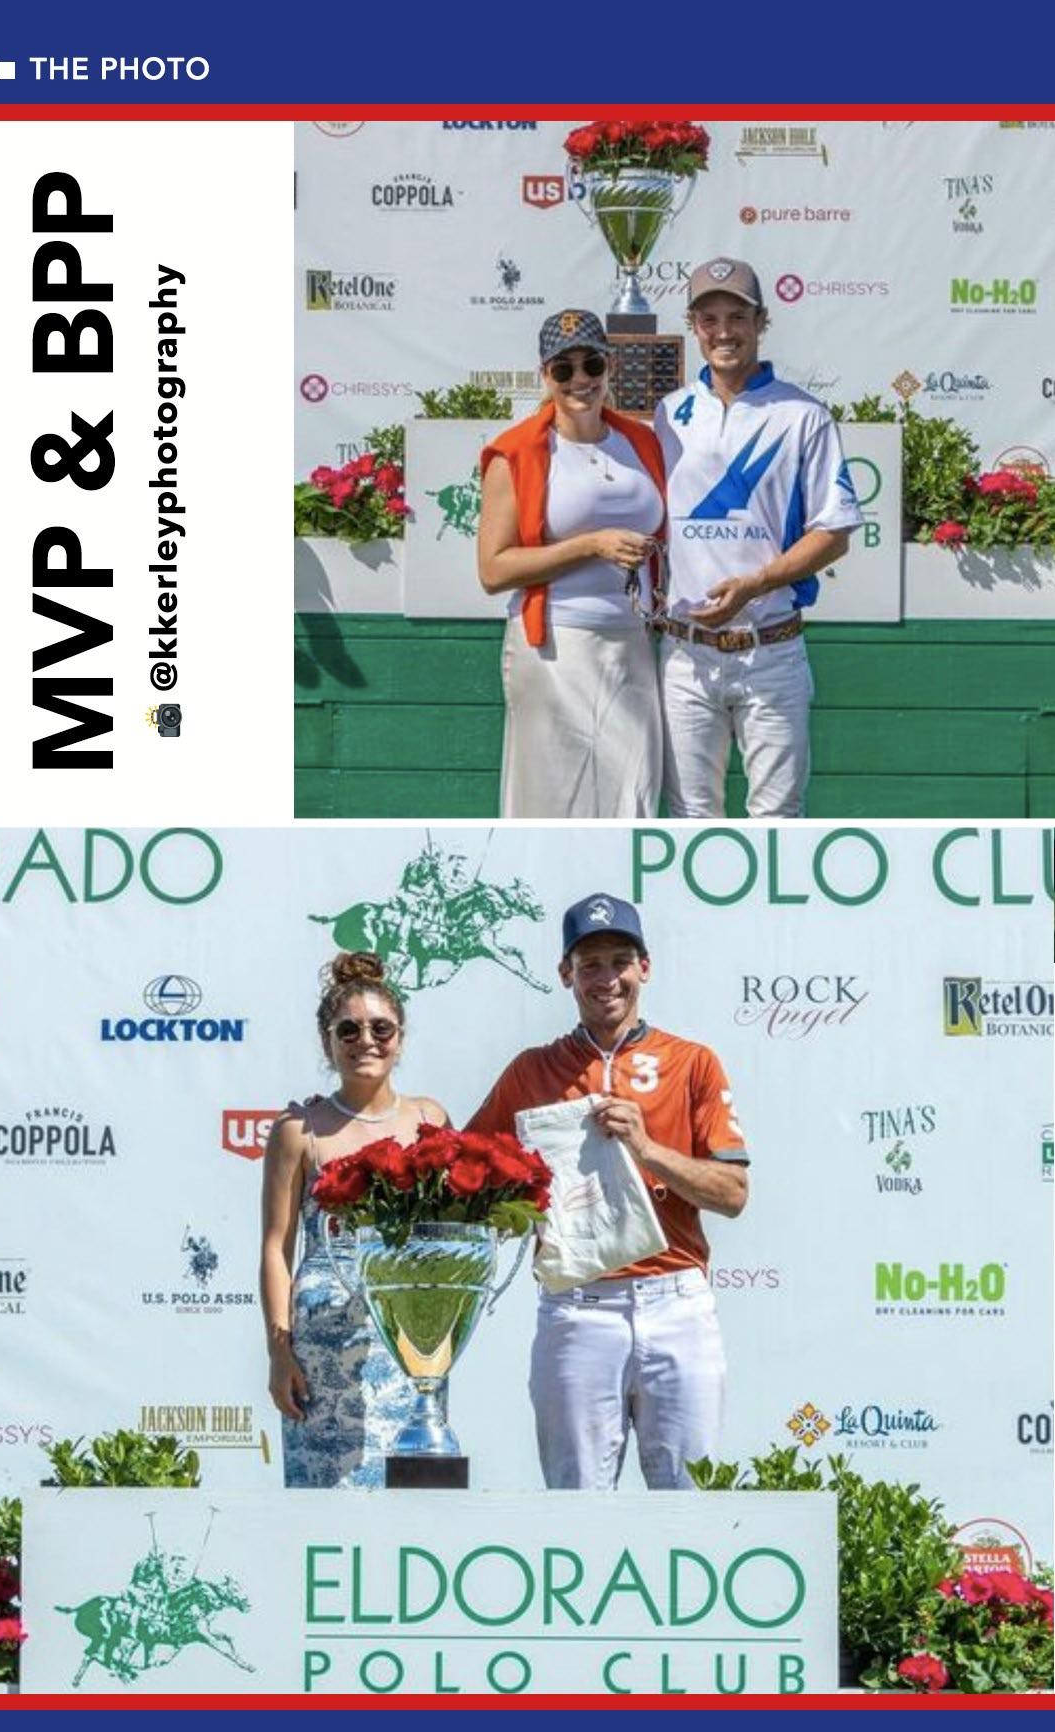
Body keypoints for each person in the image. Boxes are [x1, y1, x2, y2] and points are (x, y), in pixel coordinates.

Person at [467, 892, 749, 1490]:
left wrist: (647, 1149)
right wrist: (518, 1209)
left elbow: (732, 1193)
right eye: (589, 964)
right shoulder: (531, 1070)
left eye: (620, 961)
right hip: (577, 1305)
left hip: (677, 1301)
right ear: (565, 973)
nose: (607, 979)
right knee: (577, 1508)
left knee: (690, 1503)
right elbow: (470, 1180)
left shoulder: (692, 1062)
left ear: (645, 967)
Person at [654, 257, 864, 817]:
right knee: (689, 820)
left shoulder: (803, 414)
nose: (723, 332)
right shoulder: (668, 413)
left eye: (737, 317)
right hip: (685, 654)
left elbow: (834, 531)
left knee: (778, 821)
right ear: (693, 326)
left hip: (770, 649)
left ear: (761, 322)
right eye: (709, 319)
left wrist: (756, 583)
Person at [260, 951, 449, 1486]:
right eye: (349, 1030)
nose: (366, 1040)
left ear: (400, 1038)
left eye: (381, 1028)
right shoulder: (298, 1129)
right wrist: (279, 1353)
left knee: (415, 1496)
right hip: (323, 1343)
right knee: (327, 1502)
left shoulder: (430, 1118)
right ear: (328, 1043)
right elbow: (276, 1249)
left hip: (411, 1335)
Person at [477, 308, 668, 820]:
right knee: (553, 799)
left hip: (631, 642)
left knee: (634, 794)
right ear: (546, 375)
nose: (580, 379)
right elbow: (494, 570)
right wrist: (589, 546)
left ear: (610, 366)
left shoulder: (641, 441)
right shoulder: (515, 452)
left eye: (591, 365)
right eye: (564, 368)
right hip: (556, 646)